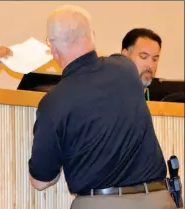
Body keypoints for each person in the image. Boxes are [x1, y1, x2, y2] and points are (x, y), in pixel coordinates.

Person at [28, 4, 176, 209]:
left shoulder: (54, 102)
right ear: (93, 36)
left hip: (100, 203)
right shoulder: (126, 68)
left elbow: (40, 181)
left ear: (52, 47)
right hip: (158, 199)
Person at [121, 28, 162, 100]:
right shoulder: (108, 92)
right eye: (143, 57)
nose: (150, 65)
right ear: (125, 55)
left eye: (155, 59)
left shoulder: (163, 98)